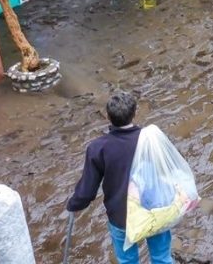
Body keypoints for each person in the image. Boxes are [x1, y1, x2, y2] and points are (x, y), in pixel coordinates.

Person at [67, 93, 175, 264]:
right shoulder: (151, 139)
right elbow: (169, 169)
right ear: (134, 113)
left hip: (121, 215)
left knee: (127, 261)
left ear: (108, 117)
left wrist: (74, 204)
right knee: (162, 258)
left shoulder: (98, 148)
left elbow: (87, 191)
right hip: (155, 209)